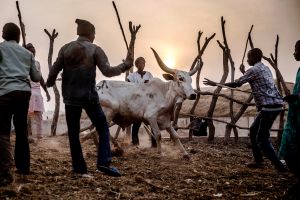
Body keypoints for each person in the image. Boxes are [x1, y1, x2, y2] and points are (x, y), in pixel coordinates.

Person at [46, 19, 138, 177]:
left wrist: (49, 82)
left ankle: (79, 168)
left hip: (70, 97)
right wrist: (126, 65)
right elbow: (108, 71)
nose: (95, 36)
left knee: (73, 133)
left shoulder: (65, 48)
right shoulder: (95, 49)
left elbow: (54, 70)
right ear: (90, 34)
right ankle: (104, 163)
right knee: (102, 128)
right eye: (94, 33)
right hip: (89, 97)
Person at [203, 48, 287, 172]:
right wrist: (244, 72)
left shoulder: (253, 70)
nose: (247, 59)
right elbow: (255, 79)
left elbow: (236, 84)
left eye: (248, 57)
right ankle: (259, 160)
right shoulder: (265, 68)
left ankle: (280, 166)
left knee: (262, 138)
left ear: (253, 57)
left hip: (269, 107)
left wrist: (216, 84)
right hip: (275, 104)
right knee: (253, 131)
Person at [0, 23, 41, 186]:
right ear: (18, 36)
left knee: (3, 132)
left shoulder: (1, 49)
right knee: (21, 130)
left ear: (4, 35)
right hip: (23, 93)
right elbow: (36, 77)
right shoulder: (27, 53)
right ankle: (23, 167)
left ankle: (5, 172)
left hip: (4, 93)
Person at [279, 40, 300, 195]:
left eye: (296, 49)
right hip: (295, 115)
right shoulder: (299, 70)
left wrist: (296, 96)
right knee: (289, 148)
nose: (294, 53)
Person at [126, 57, 156, 146]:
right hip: (137, 102)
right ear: (136, 65)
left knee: (152, 122)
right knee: (136, 123)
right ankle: (135, 143)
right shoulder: (132, 76)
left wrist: (149, 83)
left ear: (144, 64)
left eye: (143, 63)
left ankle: (154, 144)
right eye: (139, 63)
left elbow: (153, 86)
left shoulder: (149, 75)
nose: (141, 65)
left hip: (148, 102)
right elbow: (128, 84)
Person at [25, 43, 50, 139]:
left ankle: (39, 136)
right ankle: (27, 136)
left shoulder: (37, 64)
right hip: (28, 91)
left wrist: (46, 92)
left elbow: (41, 78)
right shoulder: (23, 63)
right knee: (27, 115)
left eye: (34, 51)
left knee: (39, 115)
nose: (33, 53)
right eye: (31, 51)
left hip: (37, 92)